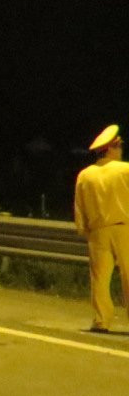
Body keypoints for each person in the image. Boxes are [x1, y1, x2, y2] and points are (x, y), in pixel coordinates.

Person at [74, 123, 129, 332]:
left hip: (97, 231)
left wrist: (83, 228)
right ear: (111, 148)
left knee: (99, 278)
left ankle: (101, 320)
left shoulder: (85, 175)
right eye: (119, 145)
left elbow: (79, 206)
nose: (121, 149)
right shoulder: (125, 170)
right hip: (124, 227)